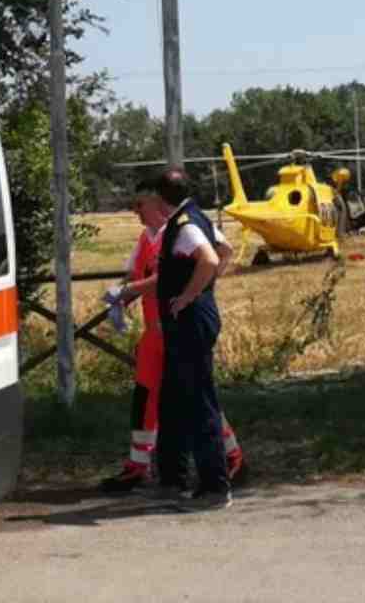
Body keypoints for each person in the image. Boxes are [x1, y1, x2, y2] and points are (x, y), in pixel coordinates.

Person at [99, 181, 246, 494]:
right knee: (150, 398)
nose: (135, 211)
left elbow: (220, 252)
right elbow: (135, 275)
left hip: (177, 326)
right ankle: (145, 467)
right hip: (157, 331)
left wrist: (197, 291)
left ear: (156, 201)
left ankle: (227, 460)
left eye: (139, 204)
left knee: (194, 397)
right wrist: (122, 298)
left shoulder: (181, 227)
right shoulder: (148, 238)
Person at [150, 168, 232, 511]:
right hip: (194, 318)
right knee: (175, 397)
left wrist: (188, 296)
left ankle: (215, 486)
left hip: (190, 321)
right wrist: (207, 287)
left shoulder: (184, 226)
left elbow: (211, 258)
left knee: (199, 401)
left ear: (159, 197)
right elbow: (226, 250)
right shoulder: (197, 216)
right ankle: (174, 477)